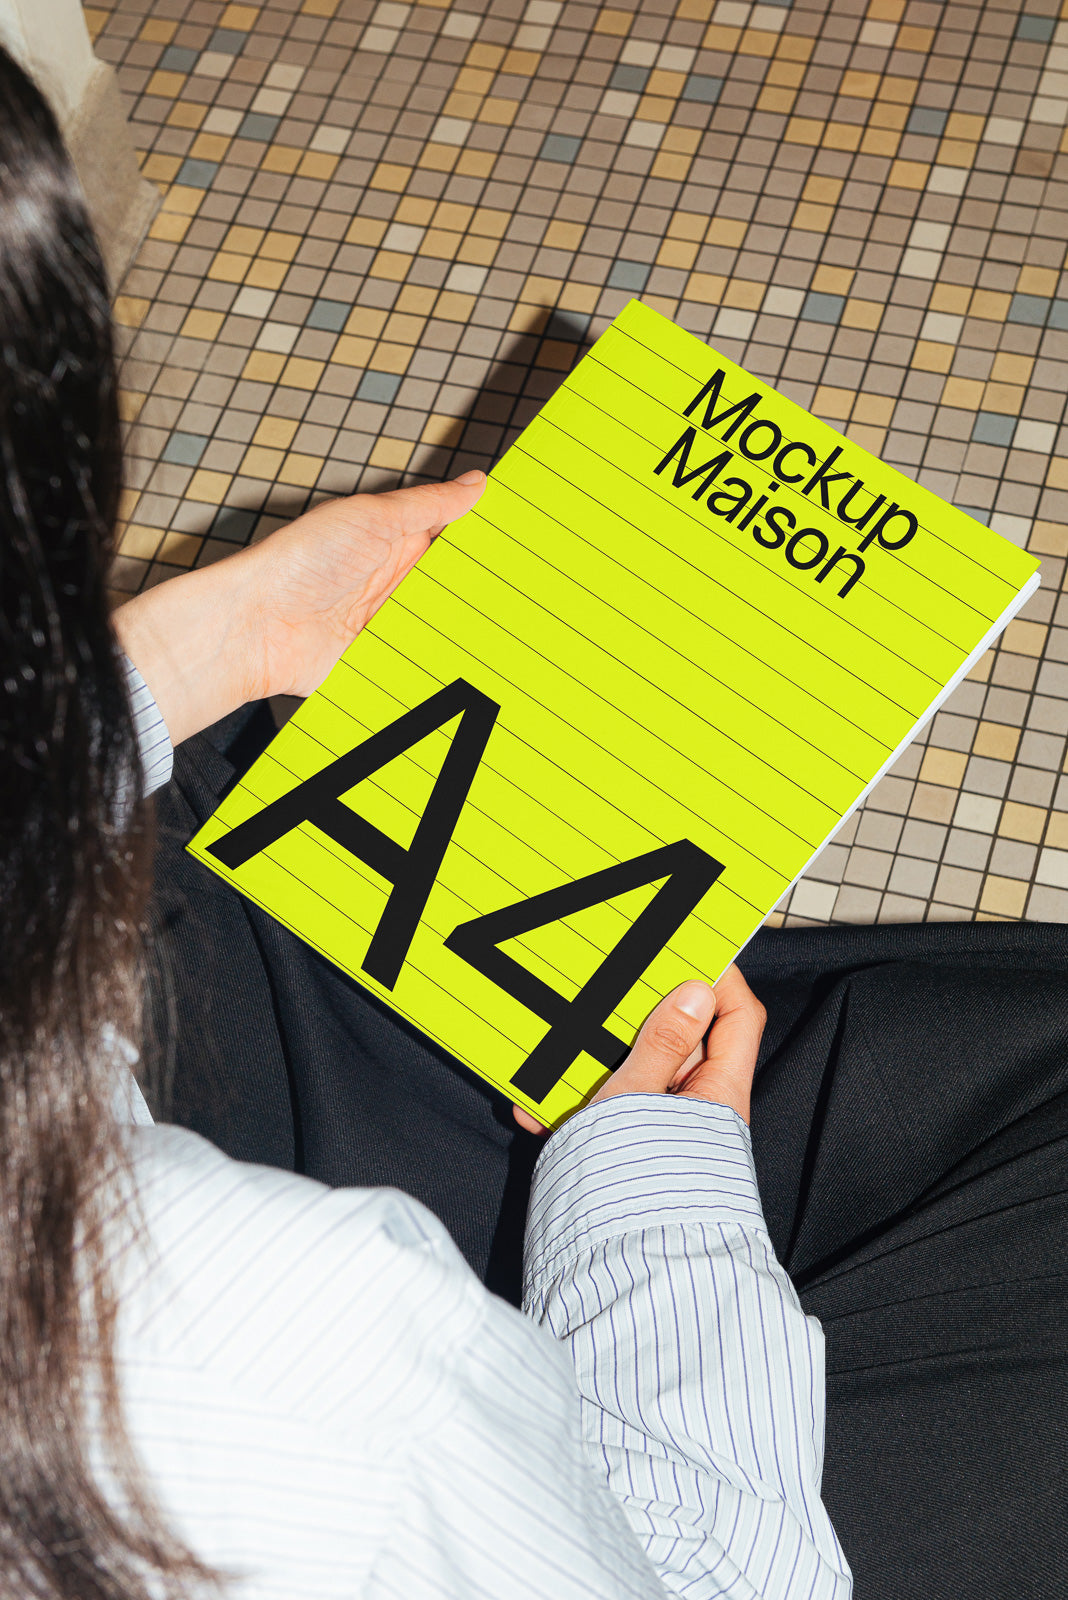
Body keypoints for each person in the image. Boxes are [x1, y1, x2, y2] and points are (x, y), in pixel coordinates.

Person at [1, 42, 1064, 1600]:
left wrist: (201, 645)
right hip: (509, 1483)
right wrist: (649, 1190)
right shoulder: (305, 1364)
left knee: (236, 800)